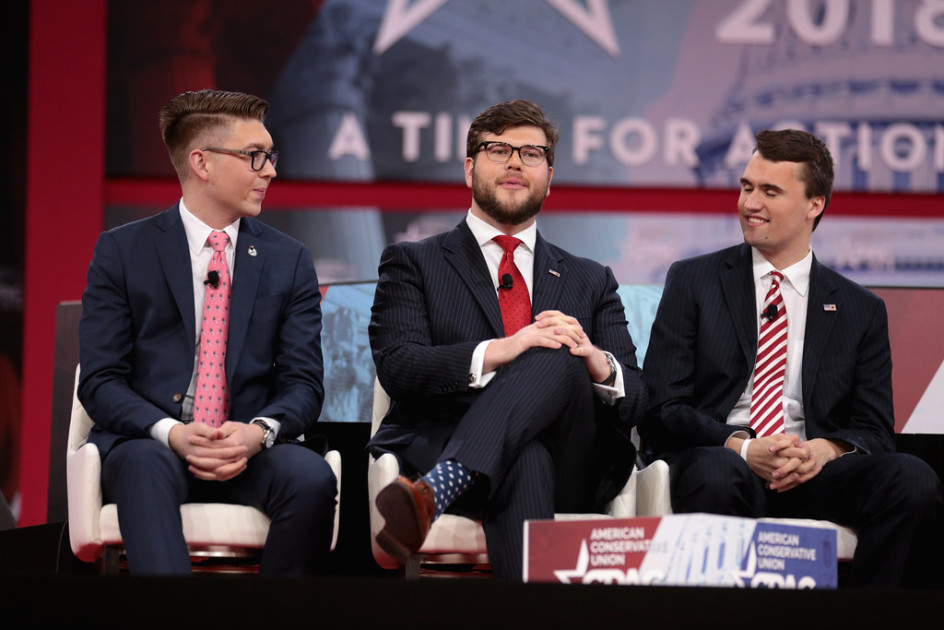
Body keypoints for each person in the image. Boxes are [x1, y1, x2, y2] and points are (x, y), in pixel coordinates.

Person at [639, 128, 942, 588]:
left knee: (911, 479)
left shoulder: (860, 308)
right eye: (746, 187)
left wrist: (824, 450)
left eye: (770, 191)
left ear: (814, 204)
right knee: (717, 474)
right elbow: (662, 408)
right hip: (725, 461)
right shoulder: (693, 281)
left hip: (813, 473)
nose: (749, 203)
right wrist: (743, 446)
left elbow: (875, 430)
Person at [368, 100, 646, 580]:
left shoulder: (590, 279)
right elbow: (399, 365)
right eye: (499, 149)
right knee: (526, 453)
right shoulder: (414, 262)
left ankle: (436, 490)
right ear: (470, 168)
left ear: (550, 177)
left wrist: (596, 361)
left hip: (573, 464)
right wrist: (505, 348)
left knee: (559, 344)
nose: (516, 161)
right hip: (447, 440)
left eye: (532, 154)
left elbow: (639, 397)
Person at [78, 90, 336, 575]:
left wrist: (258, 433)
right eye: (255, 156)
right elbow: (100, 380)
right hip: (152, 444)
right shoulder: (123, 251)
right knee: (142, 466)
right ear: (202, 162)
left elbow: (304, 384)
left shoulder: (289, 259)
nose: (270, 171)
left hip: (249, 447)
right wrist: (172, 433)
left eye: (271, 156)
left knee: (311, 478)